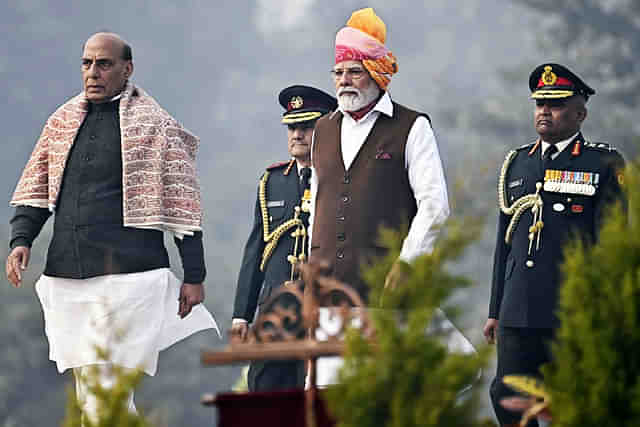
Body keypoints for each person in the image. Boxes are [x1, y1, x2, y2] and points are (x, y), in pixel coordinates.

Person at [6, 32, 218, 422]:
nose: (93, 73)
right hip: (68, 274)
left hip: (132, 278)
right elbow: (36, 186)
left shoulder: (157, 126)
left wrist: (194, 275)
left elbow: (184, 205)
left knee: (108, 389)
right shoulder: (62, 121)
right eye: (87, 63)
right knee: (91, 392)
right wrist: (21, 239)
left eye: (104, 64)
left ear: (127, 69)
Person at [483, 63, 625, 426]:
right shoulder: (516, 163)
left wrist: (605, 310)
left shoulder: (602, 163)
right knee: (506, 393)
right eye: (540, 103)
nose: (545, 111)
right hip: (518, 307)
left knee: (574, 398)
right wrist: (495, 308)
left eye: (557, 104)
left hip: (569, 307)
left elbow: (611, 245)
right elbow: (506, 244)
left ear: (580, 113)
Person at [309, 7, 450, 300]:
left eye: (354, 72)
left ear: (376, 74)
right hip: (323, 289)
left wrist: (407, 265)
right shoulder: (322, 129)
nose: (344, 80)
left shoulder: (412, 126)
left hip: (385, 286)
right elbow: (316, 209)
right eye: (338, 72)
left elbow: (435, 206)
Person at [230, 85, 337, 391]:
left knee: (319, 395)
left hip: (324, 305)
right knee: (264, 389)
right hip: (276, 306)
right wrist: (242, 314)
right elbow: (255, 251)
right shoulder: (272, 182)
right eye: (292, 127)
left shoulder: (338, 180)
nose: (297, 135)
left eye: (307, 127)